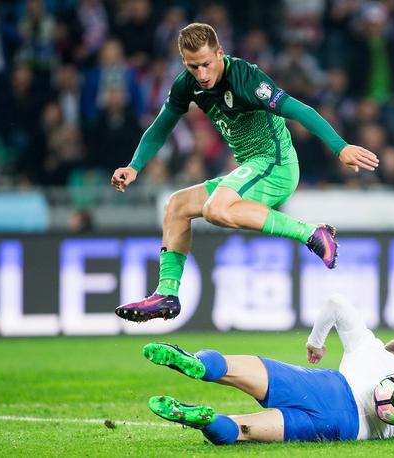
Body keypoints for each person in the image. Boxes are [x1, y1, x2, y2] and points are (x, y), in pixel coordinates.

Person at [112, 23, 379, 323]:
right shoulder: (187, 84)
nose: (201, 74)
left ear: (220, 53)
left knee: (216, 209)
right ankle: (167, 294)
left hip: (275, 165)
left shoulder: (246, 79)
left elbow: (300, 110)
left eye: (206, 64)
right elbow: (161, 126)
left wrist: (340, 147)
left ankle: (311, 233)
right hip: (250, 168)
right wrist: (134, 166)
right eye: (193, 66)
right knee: (177, 205)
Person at [144, 294, 394, 444]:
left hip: (326, 387)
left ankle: (197, 362)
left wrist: (316, 343)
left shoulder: (369, 347)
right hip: (343, 429)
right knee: (243, 430)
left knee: (232, 368)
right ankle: (206, 421)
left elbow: (335, 302)